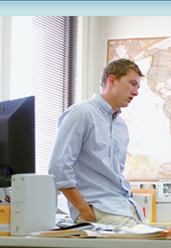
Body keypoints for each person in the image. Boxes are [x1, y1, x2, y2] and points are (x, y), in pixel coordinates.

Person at [48, 59, 146, 228]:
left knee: (164, 244)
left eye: (138, 87)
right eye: (132, 84)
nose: (136, 92)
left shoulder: (120, 125)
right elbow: (59, 167)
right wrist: (84, 211)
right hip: (97, 209)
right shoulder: (81, 113)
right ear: (112, 80)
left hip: (124, 208)